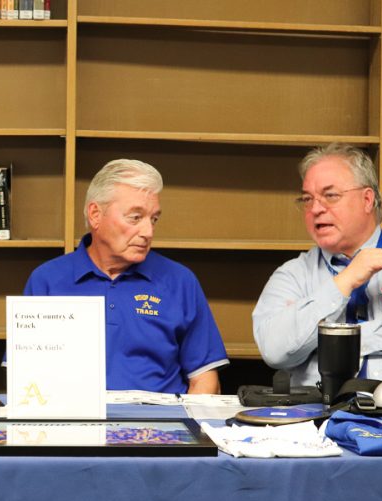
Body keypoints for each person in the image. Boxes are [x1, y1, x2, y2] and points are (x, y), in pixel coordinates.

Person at [22, 159, 228, 393]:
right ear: (95, 214)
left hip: (160, 426)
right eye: (135, 217)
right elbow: (28, 380)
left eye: (154, 219)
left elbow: (204, 379)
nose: (148, 232)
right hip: (75, 423)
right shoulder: (46, 280)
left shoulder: (180, 281)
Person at [253, 143, 382, 387]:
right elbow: (276, 349)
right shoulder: (292, 275)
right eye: (307, 199)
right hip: (317, 419)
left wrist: (335, 340)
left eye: (330, 196)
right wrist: (345, 281)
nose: (316, 209)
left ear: (367, 199)